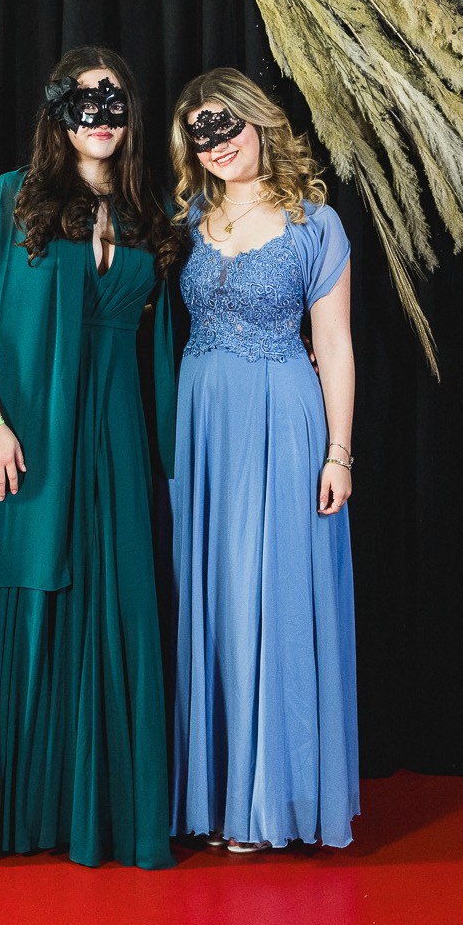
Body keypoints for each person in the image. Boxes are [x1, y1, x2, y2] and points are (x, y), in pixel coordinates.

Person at [0, 46, 181, 869]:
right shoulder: (12, 199)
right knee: (16, 602)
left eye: (115, 102)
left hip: (112, 440)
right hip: (19, 431)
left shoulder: (147, 213)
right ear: (59, 114)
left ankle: (93, 811)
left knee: (111, 606)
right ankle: (6, 808)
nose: (101, 118)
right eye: (84, 102)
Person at [166, 67, 358, 852]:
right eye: (200, 134)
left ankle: (266, 802)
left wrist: (339, 453)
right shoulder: (187, 218)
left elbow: (334, 344)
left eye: (226, 125)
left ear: (259, 123)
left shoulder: (316, 223)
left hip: (282, 422)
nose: (216, 145)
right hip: (203, 426)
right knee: (211, 598)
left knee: (271, 598)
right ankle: (214, 798)